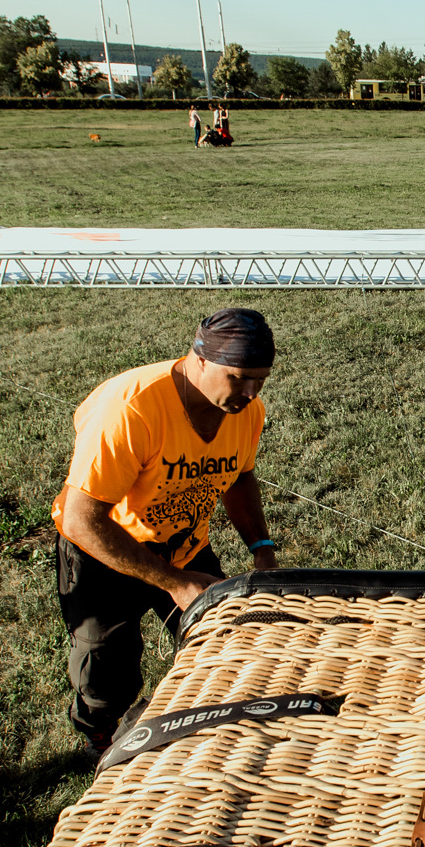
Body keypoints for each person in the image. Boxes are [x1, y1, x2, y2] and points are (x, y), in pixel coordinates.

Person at [53, 308, 280, 755]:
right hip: (105, 549)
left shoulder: (245, 411)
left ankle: (202, 731)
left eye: (261, 380)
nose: (250, 393)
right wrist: (176, 583)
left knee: (223, 643)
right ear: (198, 359)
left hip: (182, 544)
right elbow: (83, 520)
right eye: (238, 377)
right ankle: (99, 735)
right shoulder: (131, 408)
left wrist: (262, 549)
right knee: (107, 670)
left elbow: (237, 476)